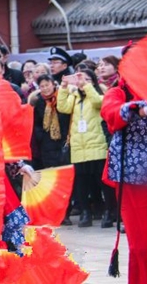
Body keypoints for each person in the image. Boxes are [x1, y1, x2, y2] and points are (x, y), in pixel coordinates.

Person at [102, 52, 147, 284]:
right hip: (133, 180)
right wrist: (142, 109)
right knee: (139, 248)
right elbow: (111, 114)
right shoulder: (118, 92)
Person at [56, 69, 112, 227]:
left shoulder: (99, 93)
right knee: (81, 182)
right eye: (80, 79)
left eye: (87, 79)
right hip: (79, 146)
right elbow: (62, 108)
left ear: (93, 81)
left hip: (97, 144)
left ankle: (109, 211)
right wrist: (64, 87)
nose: (82, 82)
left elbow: (98, 103)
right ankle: (85, 212)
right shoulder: (74, 96)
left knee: (101, 181)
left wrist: (87, 86)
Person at [29, 75, 70, 171]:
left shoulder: (62, 96)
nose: (45, 88)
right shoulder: (38, 101)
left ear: (53, 84)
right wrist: (41, 137)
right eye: (42, 86)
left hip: (64, 139)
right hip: (46, 142)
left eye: (47, 85)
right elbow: (36, 123)